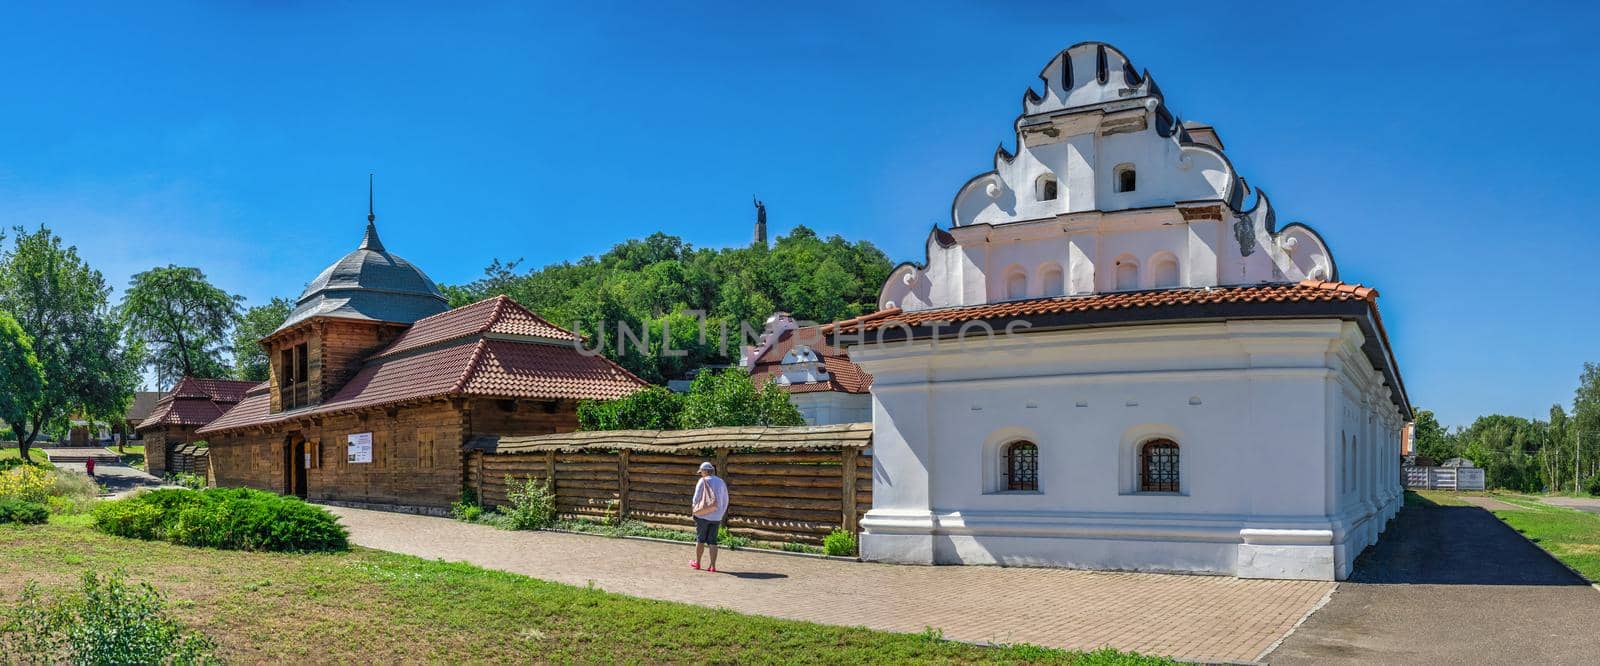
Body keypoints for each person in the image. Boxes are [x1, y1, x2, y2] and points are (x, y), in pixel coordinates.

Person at [689, 461, 729, 572]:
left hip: (703, 515)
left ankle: (698, 563)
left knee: (700, 539)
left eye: (701, 471)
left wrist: (694, 511)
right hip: (716, 517)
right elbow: (725, 499)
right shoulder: (721, 482)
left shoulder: (702, 481)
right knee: (713, 541)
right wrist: (720, 513)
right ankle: (712, 566)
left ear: (706, 471)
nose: (701, 473)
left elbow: (696, 498)